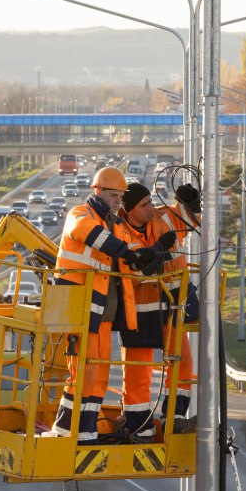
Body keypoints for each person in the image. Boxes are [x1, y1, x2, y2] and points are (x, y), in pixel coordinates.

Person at [47, 165, 154, 444]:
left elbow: (132, 248)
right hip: (79, 307)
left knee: (99, 375)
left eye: (120, 196)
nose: (118, 200)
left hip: (102, 313)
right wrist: (125, 252)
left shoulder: (116, 224)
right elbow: (89, 234)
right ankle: (69, 430)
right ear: (97, 191)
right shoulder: (80, 214)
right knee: (82, 371)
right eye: (112, 194)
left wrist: (149, 257)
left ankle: (85, 431)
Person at [116, 181, 200, 438]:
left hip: (172, 305)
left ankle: (174, 418)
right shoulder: (119, 232)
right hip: (140, 310)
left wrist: (192, 202)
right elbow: (140, 267)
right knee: (137, 370)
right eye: (144, 205)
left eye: (151, 202)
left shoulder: (162, 217)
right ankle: (139, 424)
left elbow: (194, 220)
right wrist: (159, 247)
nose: (150, 208)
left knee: (183, 362)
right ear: (129, 210)